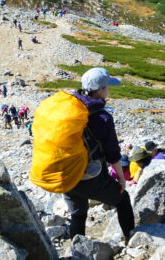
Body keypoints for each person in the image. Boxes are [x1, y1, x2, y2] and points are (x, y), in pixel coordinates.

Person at [61, 67, 134, 240]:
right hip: (89, 178)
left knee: (78, 215)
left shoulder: (69, 110)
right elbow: (112, 154)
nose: (109, 90)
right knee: (123, 200)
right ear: (100, 90)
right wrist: (121, 180)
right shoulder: (102, 118)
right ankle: (132, 241)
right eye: (107, 87)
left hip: (67, 176)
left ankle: (77, 253)